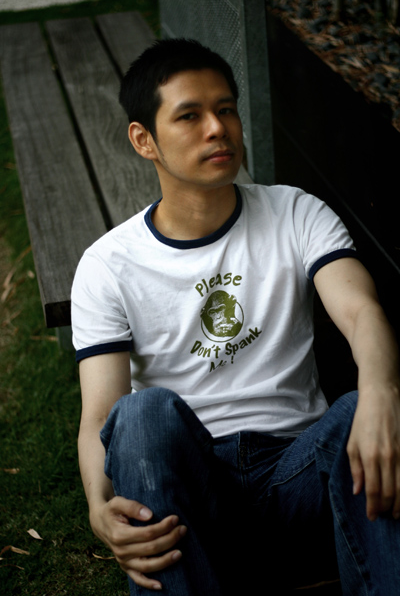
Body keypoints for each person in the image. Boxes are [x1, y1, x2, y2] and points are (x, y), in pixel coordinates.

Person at [71, 38, 400, 595]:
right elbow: (100, 414)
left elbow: (361, 311)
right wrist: (98, 504)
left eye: (225, 109)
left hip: (299, 475)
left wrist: (383, 396)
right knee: (142, 414)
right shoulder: (108, 265)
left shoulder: (295, 212)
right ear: (144, 139)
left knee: (356, 411)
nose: (217, 129)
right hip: (192, 491)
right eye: (190, 116)